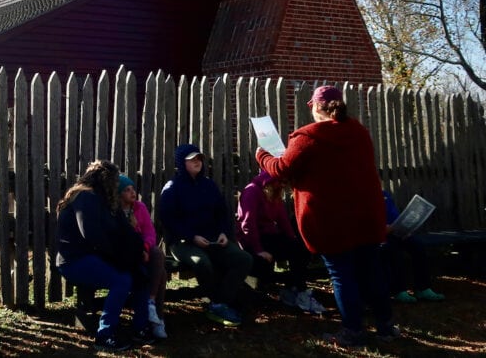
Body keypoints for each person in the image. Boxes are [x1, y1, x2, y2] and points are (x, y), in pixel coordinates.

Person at [257, 85, 398, 347]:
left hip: (331, 220)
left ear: (314, 107)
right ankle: (385, 326)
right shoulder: (359, 132)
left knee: (342, 275)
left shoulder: (308, 136)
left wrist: (262, 155)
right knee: (371, 271)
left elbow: (281, 169)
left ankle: (353, 331)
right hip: (365, 216)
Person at [56, 159, 152, 351]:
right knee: (121, 280)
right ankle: (105, 335)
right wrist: (117, 258)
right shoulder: (85, 197)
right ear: (106, 180)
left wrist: (137, 248)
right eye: (115, 181)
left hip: (98, 256)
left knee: (139, 275)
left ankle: (140, 328)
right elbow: (91, 236)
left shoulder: (105, 200)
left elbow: (124, 230)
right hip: (75, 260)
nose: (116, 186)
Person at [159, 143, 253, 327]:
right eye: (192, 159)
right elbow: (168, 220)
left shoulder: (209, 185)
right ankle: (218, 304)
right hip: (183, 243)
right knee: (201, 262)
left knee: (244, 259)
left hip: (213, 239)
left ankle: (219, 303)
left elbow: (221, 212)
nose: (197, 162)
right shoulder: (172, 188)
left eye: (199, 158)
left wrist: (223, 233)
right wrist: (192, 236)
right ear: (181, 162)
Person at [236, 169, 326, 314]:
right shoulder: (252, 192)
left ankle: (294, 289)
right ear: (271, 181)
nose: (283, 185)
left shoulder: (275, 194)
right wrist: (259, 250)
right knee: (269, 260)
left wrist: (293, 240)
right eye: (281, 182)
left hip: (269, 237)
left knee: (301, 249)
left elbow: (283, 220)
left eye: (285, 182)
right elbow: (248, 225)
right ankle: (298, 291)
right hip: (252, 241)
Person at [118, 174, 168, 339]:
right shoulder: (115, 212)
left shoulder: (139, 207)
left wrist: (145, 248)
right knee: (161, 274)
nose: (133, 193)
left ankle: (152, 304)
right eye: (127, 190)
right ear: (118, 194)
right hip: (127, 255)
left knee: (157, 254)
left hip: (144, 252)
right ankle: (157, 320)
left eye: (133, 189)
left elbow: (150, 233)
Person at [382, 190, 445, 303]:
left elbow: (394, 215)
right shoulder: (365, 195)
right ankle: (399, 291)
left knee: (418, 246)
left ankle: (423, 288)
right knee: (393, 250)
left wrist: (406, 228)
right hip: (380, 236)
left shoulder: (385, 194)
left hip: (397, 232)